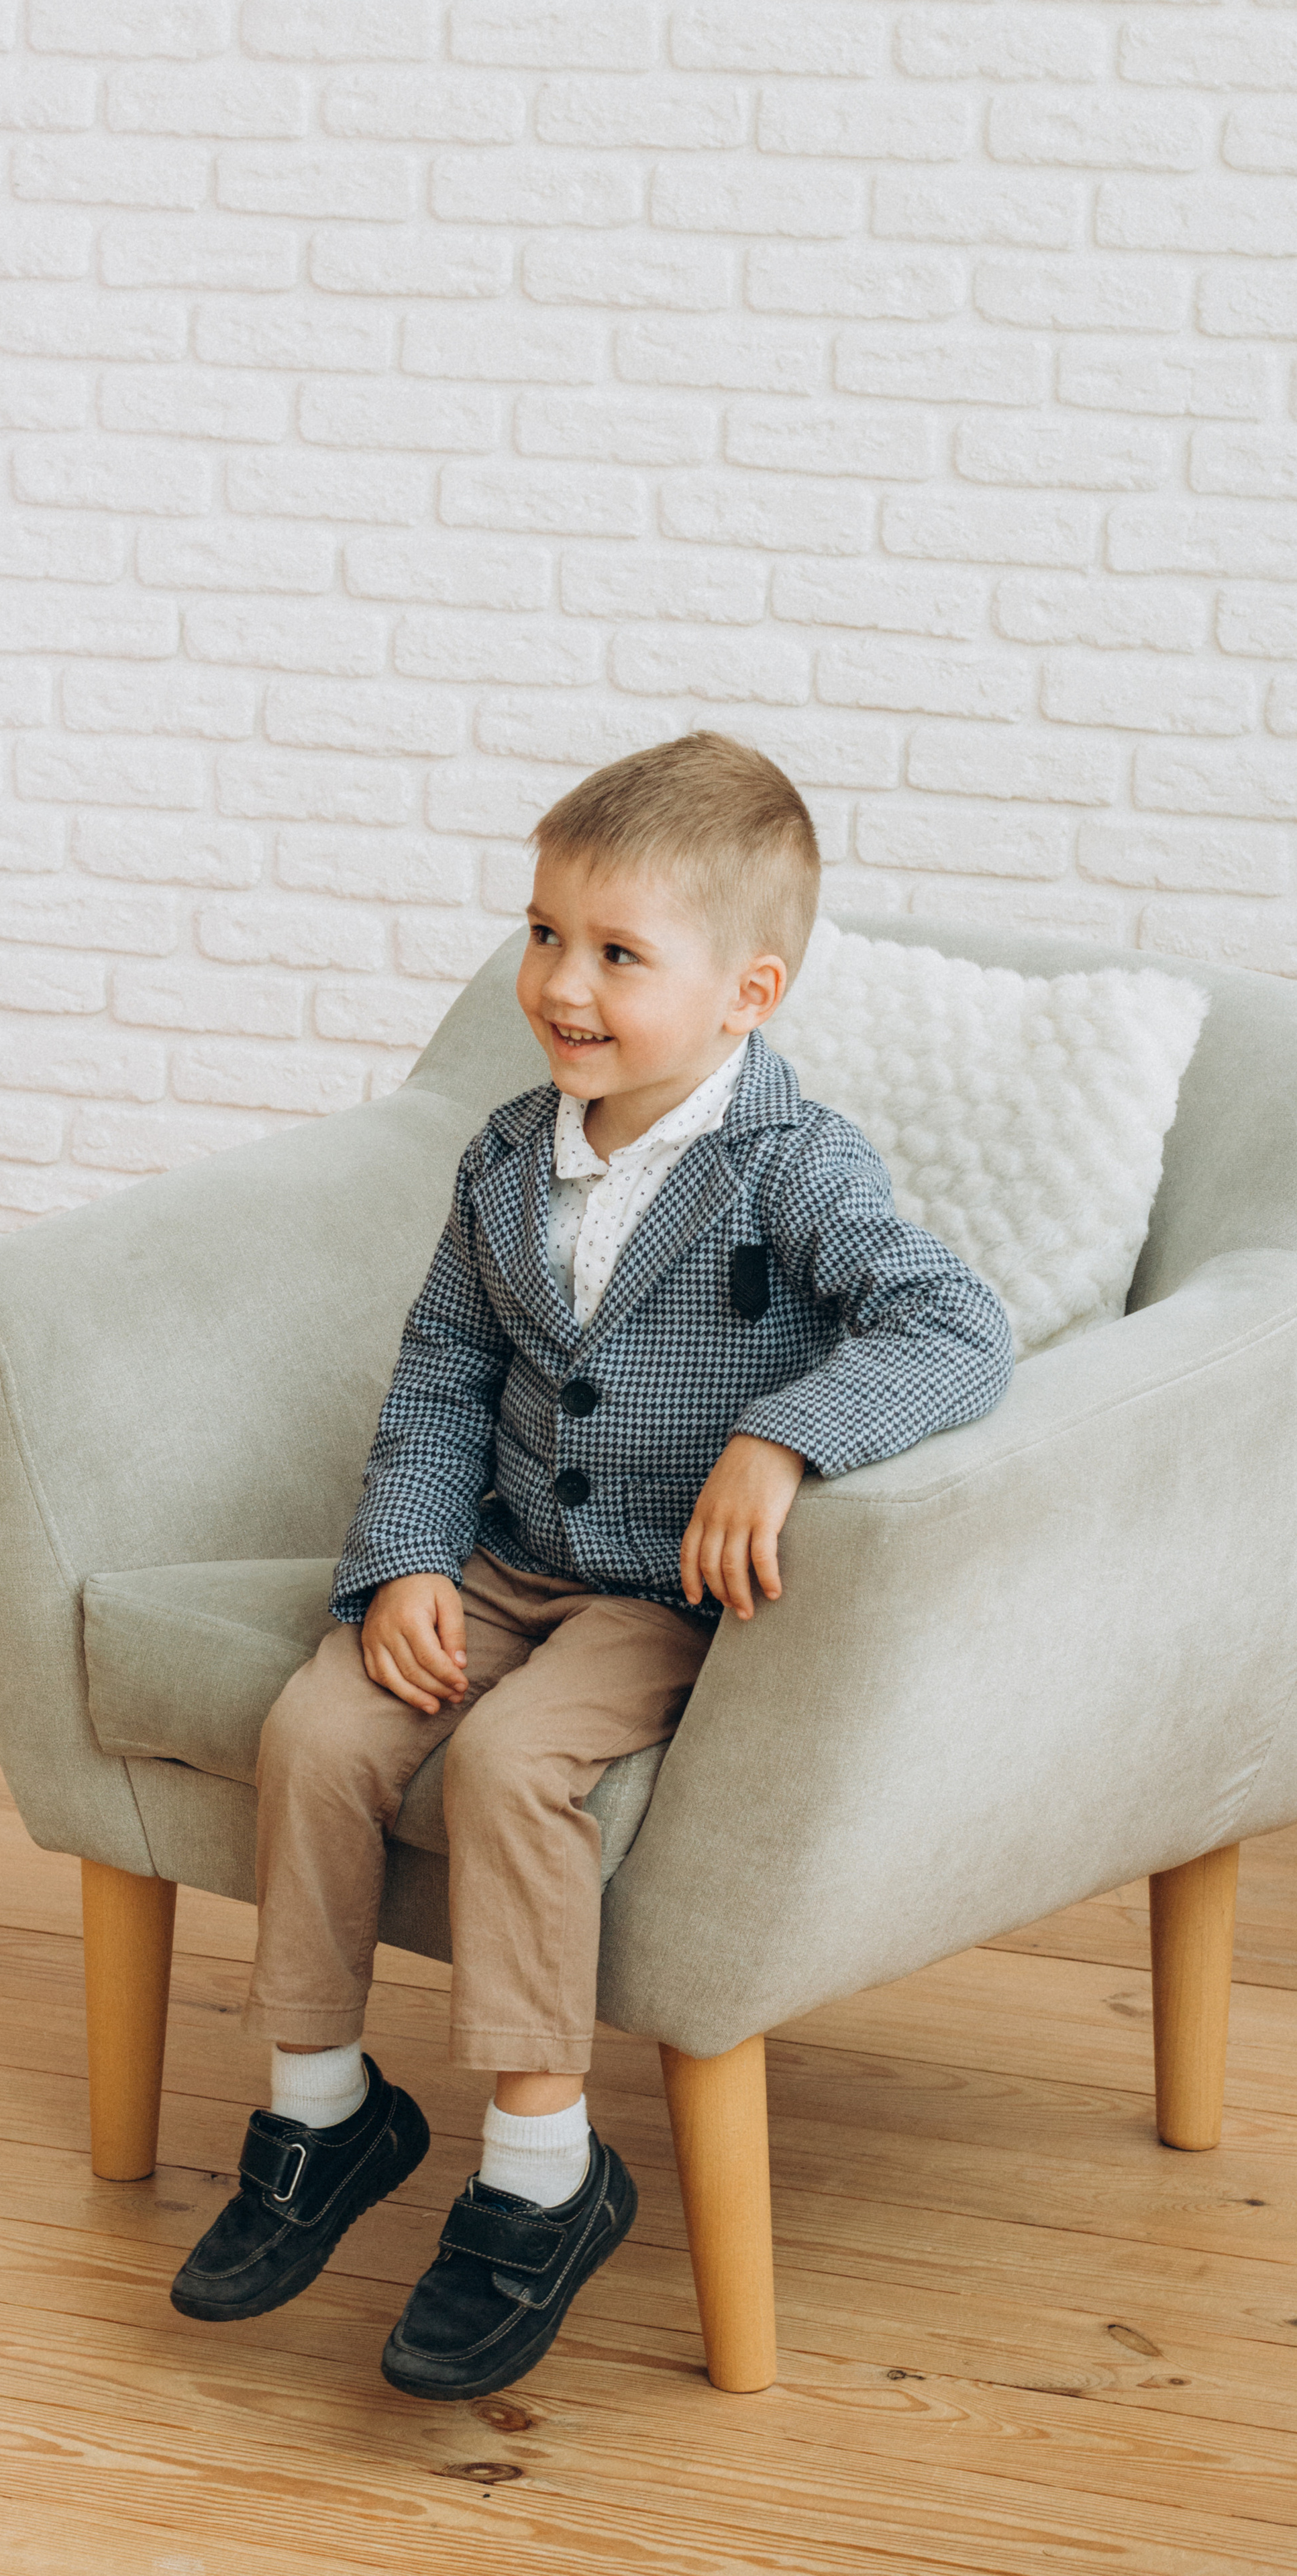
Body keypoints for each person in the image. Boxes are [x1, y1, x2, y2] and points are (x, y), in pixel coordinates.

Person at [170, 731, 1014, 2400]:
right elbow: (433, 1380)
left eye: (617, 954)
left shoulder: (794, 1168)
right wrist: (404, 1563)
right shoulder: (505, 1153)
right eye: (545, 933)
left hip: (652, 1595)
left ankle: (539, 2177)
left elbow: (953, 1328)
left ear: (743, 992)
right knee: (319, 1732)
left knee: (505, 1765)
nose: (559, 982)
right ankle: (323, 2111)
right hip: (497, 1559)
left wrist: (783, 1438)